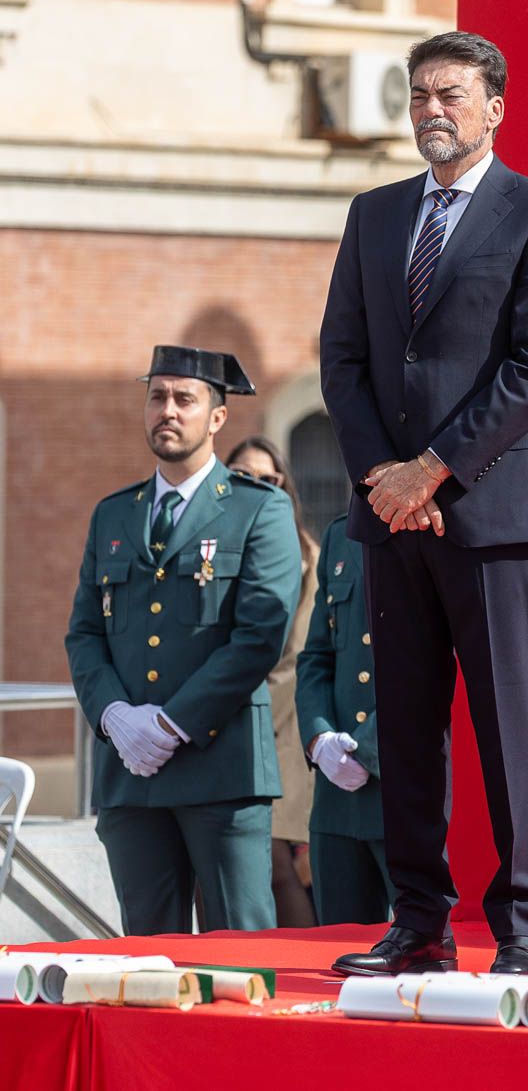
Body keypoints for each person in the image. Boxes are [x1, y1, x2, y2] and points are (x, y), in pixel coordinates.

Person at [318, 30, 528, 977]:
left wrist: (430, 470)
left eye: (453, 94)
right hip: (391, 521)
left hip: (492, 512)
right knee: (406, 722)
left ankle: (522, 926)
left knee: (509, 727)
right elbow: (342, 361)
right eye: (421, 93)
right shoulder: (375, 212)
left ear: (495, 107)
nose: (433, 109)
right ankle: (418, 921)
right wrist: (382, 482)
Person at [64, 346, 301, 935]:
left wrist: (170, 725)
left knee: (238, 953)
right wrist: (116, 716)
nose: (166, 410)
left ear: (217, 418)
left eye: (183, 399)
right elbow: (85, 633)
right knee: (145, 962)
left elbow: (258, 639)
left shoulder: (257, 509)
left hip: (220, 769)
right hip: (130, 776)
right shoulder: (114, 515)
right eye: (156, 396)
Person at [226, 435, 320, 929]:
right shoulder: (215, 549)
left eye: (269, 479)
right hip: (222, 735)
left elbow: (297, 657)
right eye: (243, 476)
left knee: (281, 867)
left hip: (285, 730)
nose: (257, 487)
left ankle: (307, 977)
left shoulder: (306, 555)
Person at [296, 513, 391, 924]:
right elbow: (317, 656)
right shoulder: (339, 532)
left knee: (430, 962)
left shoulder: (440, 522)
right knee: (335, 951)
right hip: (337, 798)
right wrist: (319, 738)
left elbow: (443, 661)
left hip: (402, 788)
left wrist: (367, 749)